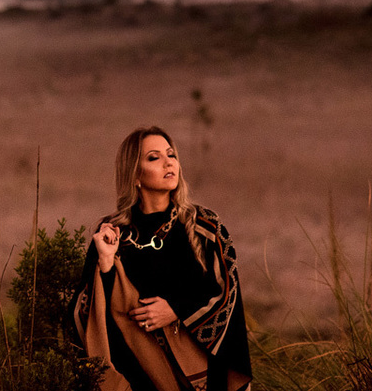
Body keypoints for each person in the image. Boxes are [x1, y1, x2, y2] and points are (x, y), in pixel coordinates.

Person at [70, 127, 251, 391]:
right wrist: (106, 265)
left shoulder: (205, 226)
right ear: (135, 175)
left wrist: (176, 310)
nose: (169, 163)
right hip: (137, 375)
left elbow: (227, 294)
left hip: (200, 377)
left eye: (171, 155)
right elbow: (89, 315)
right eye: (154, 158)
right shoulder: (112, 233)